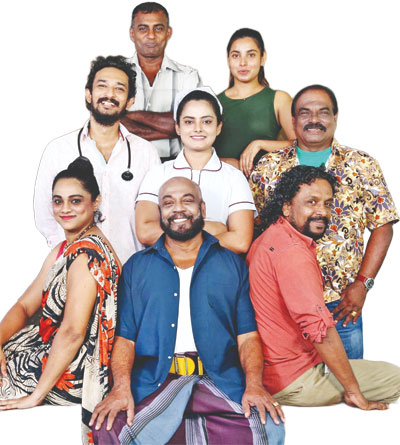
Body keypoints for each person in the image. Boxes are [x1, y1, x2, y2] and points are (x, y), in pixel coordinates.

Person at [89, 176, 285, 445]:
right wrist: (121, 388)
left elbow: (247, 337)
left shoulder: (231, 264)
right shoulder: (137, 267)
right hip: (156, 383)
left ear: (202, 209)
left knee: (267, 428)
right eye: (168, 203)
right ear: (160, 213)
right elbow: (126, 339)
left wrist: (254, 385)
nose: (178, 208)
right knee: (109, 428)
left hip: (217, 381)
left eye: (187, 200)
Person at [249, 85, 398, 358]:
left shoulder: (362, 165)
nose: (314, 119)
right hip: (282, 305)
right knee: (290, 382)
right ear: (293, 120)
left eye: (323, 112)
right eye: (305, 112)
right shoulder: (268, 167)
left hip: (341, 304)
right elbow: (256, 228)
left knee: (348, 380)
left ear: (335, 118)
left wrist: (362, 284)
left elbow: (383, 225)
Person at [247, 165, 400, 410]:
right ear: (287, 207)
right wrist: (354, 392)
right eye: (311, 202)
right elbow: (320, 331)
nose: (322, 212)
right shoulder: (292, 253)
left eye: (327, 204)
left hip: (277, 372)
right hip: (295, 380)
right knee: (396, 378)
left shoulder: (273, 236)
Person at [0, 158, 121, 445]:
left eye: (75, 201)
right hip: (46, 352)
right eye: (58, 201)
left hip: (71, 370)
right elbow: (24, 307)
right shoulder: (64, 248)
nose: (65, 209)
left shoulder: (87, 254)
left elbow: (73, 333)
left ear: (95, 202)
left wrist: (36, 396)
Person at [34, 55, 160, 265]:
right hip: (75, 269)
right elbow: (45, 215)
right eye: (102, 86)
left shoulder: (145, 153)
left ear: (130, 101)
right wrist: (68, 259)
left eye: (119, 89)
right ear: (89, 94)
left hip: (133, 270)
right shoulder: (59, 150)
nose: (109, 94)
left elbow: (155, 216)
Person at [135, 87, 256, 254]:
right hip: (165, 265)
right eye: (189, 122)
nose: (198, 128)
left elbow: (240, 242)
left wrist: (177, 230)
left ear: (219, 127)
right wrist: (214, 228)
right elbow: (145, 232)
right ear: (178, 127)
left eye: (206, 122)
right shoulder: (158, 173)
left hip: (216, 266)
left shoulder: (234, 178)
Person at [123, 2, 202, 161]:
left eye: (158, 28)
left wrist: (127, 117)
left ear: (168, 32)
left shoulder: (187, 76)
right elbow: (108, 124)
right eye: (143, 29)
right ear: (132, 33)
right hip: (124, 165)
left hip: (174, 166)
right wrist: (172, 127)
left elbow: (193, 124)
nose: (151, 36)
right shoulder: (116, 73)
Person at [214, 28, 295, 176]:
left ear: (262, 58)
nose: (243, 63)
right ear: (228, 60)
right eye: (236, 55)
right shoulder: (213, 103)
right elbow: (199, 150)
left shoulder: (279, 99)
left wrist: (259, 144)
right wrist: (225, 163)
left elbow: (301, 145)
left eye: (251, 55)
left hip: (268, 183)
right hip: (223, 182)